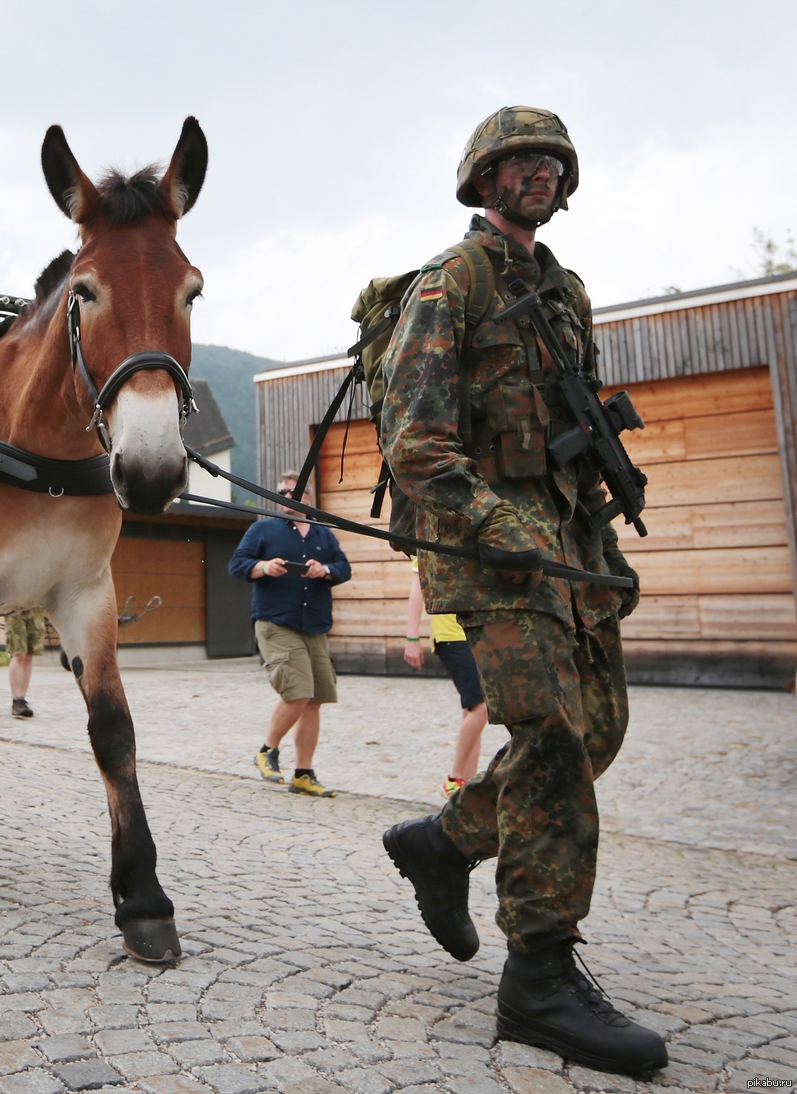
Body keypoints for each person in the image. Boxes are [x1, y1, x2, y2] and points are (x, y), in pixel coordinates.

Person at [378, 107, 663, 1075]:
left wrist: (600, 526)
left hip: (562, 542)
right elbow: (414, 447)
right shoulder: (447, 284)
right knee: (550, 736)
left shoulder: (563, 291)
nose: (536, 172)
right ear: (480, 178)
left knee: (599, 728)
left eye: (550, 161)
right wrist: (507, 526)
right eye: (516, 160)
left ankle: (445, 840)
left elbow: (573, 426)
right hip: (485, 546)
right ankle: (537, 979)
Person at [227, 472, 351, 798]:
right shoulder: (263, 529)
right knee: (298, 692)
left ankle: (304, 774)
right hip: (275, 623)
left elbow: (344, 567)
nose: (285, 496)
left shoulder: (324, 533)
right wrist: (264, 567)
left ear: (307, 498)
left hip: (315, 625)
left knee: (314, 701)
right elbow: (237, 565)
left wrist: (325, 571)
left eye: (291, 492)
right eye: (280, 492)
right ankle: (267, 750)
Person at [404, 563, 488, 798]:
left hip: (479, 631)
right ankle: (454, 779)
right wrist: (412, 637)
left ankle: (466, 788)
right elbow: (418, 587)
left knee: (472, 710)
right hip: (452, 635)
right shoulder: (433, 535)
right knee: (482, 708)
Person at [5, 606, 47, 718]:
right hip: (14, 607)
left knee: (29, 656)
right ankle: (16, 699)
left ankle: (22, 698)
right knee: (19, 654)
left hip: (34, 606)